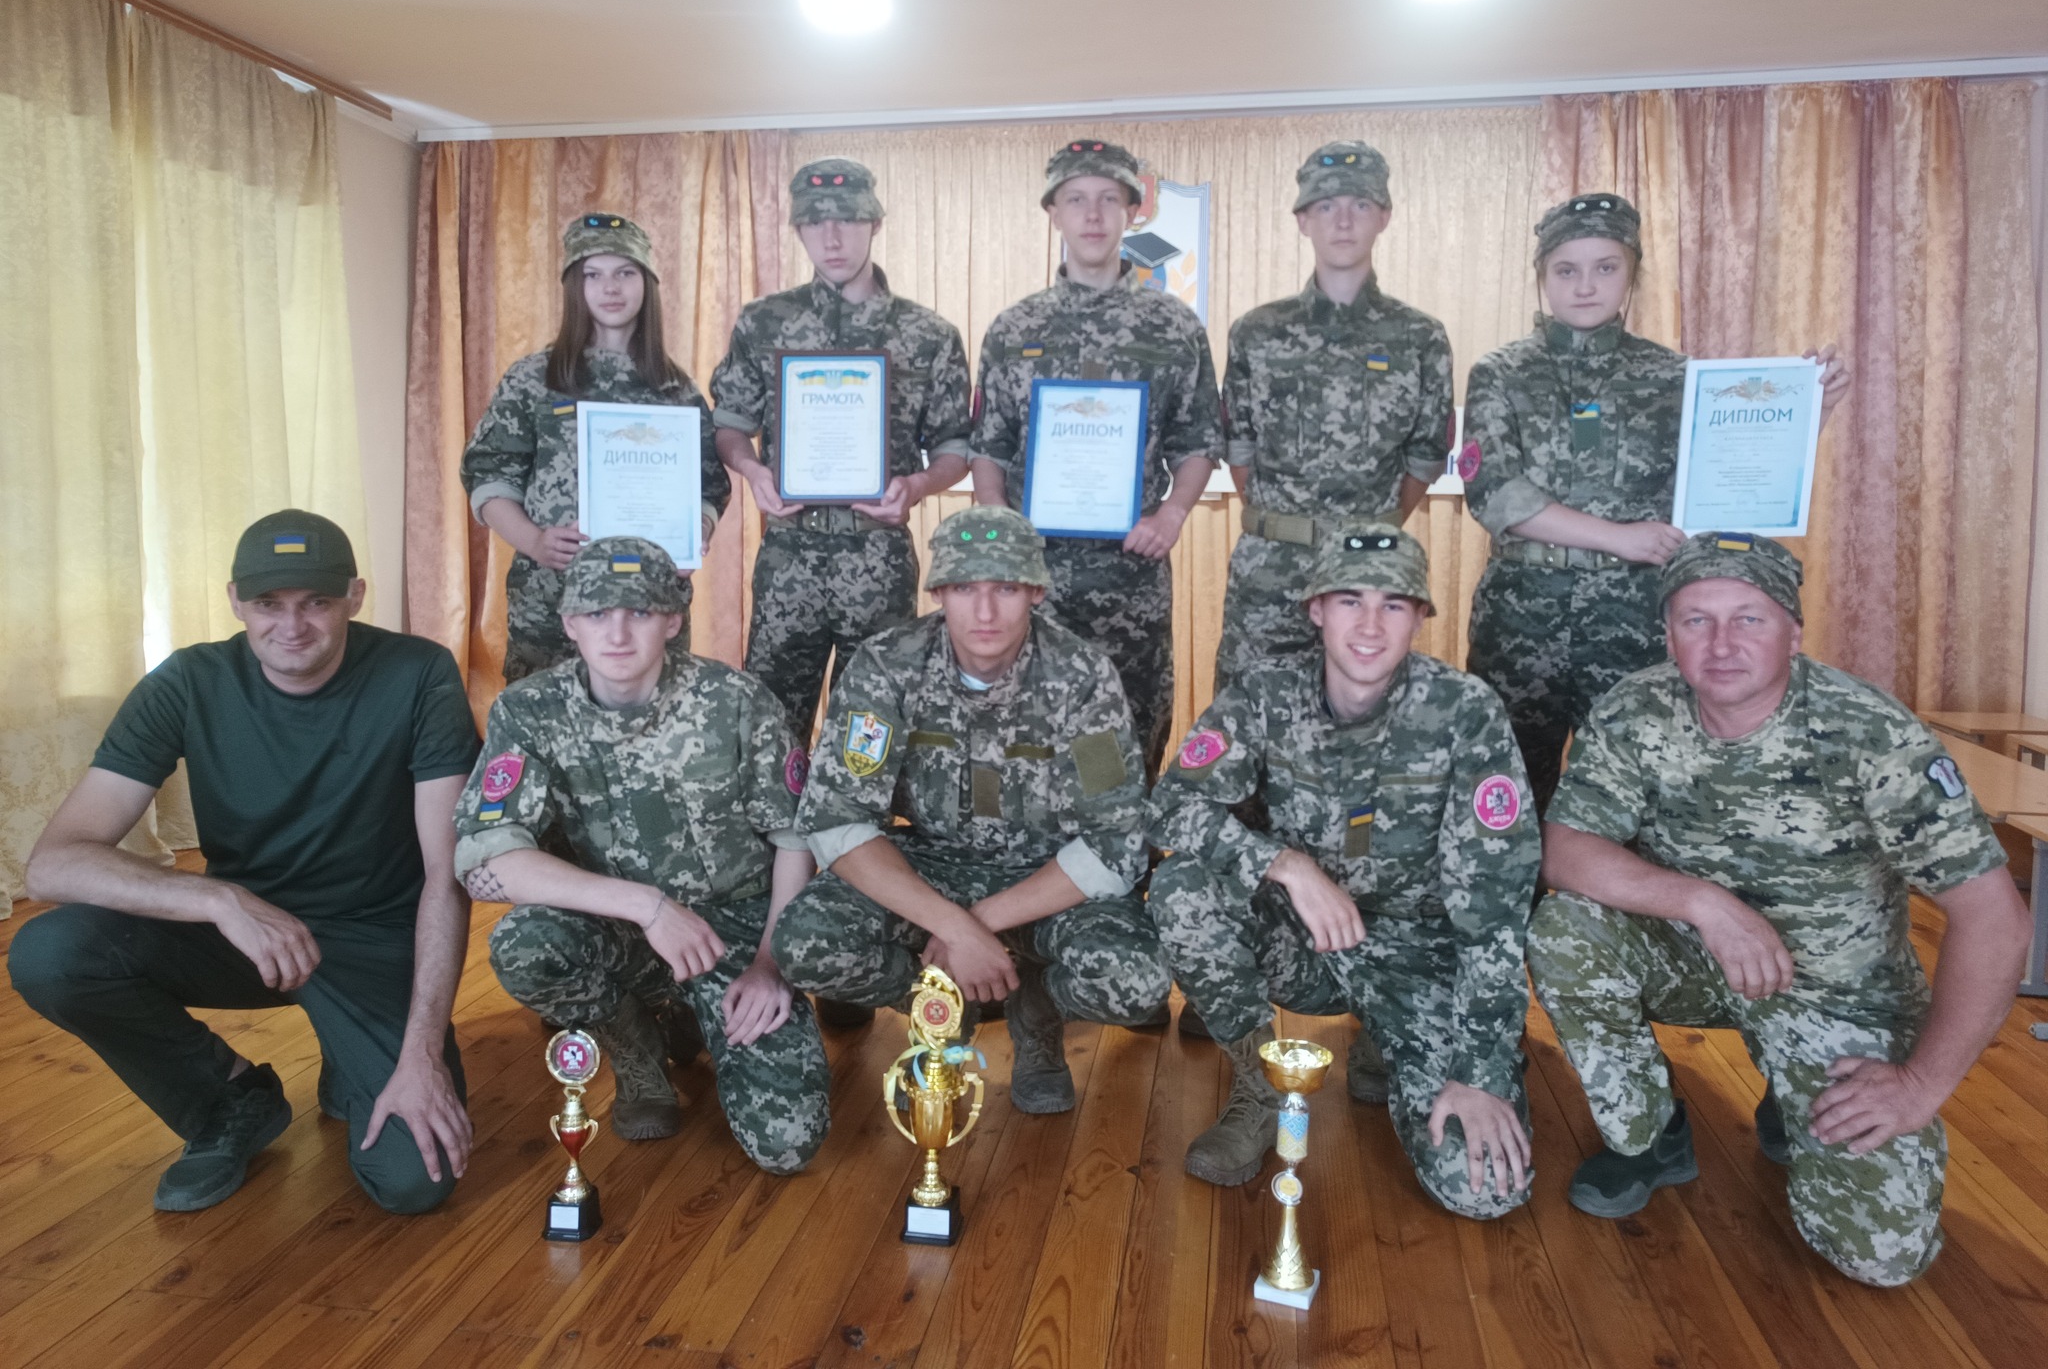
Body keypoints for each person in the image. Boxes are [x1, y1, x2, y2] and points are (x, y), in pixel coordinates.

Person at [1529, 532, 2032, 1286]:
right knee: (1565, 929)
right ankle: (1650, 1134)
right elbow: (1565, 849)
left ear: (1793, 634)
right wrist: (1704, 903)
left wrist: (1920, 1086)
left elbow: (1996, 918)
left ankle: (1795, 1086)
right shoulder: (1637, 709)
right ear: (1667, 635)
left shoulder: (1871, 734)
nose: (1721, 643)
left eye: (1749, 619)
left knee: (1880, 1256)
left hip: (1836, 991)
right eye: (1696, 620)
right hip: (1700, 957)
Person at [11, 511, 477, 1214]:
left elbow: (447, 878)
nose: (292, 626)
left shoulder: (419, 674)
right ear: (235, 600)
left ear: (354, 596)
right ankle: (228, 1101)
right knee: (51, 953)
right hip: (246, 935)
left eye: (316, 602)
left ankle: (359, 1050)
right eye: (268, 603)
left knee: (412, 1180)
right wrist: (219, 900)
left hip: (376, 937)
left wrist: (420, 1055)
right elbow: (53, 865)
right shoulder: (189, 681)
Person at [1149, 523, 1539, 1217]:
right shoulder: (1265, 695)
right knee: (1183, 889)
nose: (1370, 625)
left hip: (1421, 959)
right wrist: (1285, 864)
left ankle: (1388, 1042)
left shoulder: (1465, 713)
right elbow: (1171, 806)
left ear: (1420, 616)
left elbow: (1496, 907)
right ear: (1317, 609)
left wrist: (1480, 1071)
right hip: (1310, 940)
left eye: (1393, 605)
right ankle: (1261, 1088)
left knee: (1482, 1190)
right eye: (1350, 600)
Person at [771, 506, 1173, 1114]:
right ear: (937, 593)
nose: (984, 612)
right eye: (964, 588)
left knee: (1137, 982)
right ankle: (941, 1009)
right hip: (931, 864)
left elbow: (1116, 840)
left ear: (1037, 591)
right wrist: (953, 927)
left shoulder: (1083, 677)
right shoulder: (886, 665)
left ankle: (1035, 1011)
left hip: (1047, 875)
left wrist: (976, 923)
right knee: (804, 944)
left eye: (1005, 589)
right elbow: (837, 818)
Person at [1460, 194, 1850, 810]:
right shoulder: (1500, 373)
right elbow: (1495, 494)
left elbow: (1727, 485)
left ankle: (1614, 880)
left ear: (1632, 275)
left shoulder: (1676, 376)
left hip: (1634, 613)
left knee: (1637, 785)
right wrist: (1621, 536)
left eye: (1605, 267)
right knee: (1508, 787)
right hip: (1520, 617)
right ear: (1542, 276)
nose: (1585, 285)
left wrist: (1806, 415)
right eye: (1566, 269)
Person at [454, 537, 829, 1173]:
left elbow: (796, 836)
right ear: (569, 623)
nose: (618, 633)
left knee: (788, 1144)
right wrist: (648, 906)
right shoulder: (531, 711)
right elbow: (486, 857)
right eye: (597, 613)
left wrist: (772, 964)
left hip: (737, 931)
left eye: (640, 612)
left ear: (673, 620)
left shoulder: (736, 701)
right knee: (525, 943)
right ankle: (636, 1047)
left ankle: (691, 1014)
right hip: (620, 925)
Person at [969, 139, 1223, 777]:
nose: (1092, 214)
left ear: (1132, 212)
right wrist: (1003, 537)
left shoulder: (1172, 326)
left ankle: (1124, 844)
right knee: (1024, 734)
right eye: (1076, 199)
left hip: (1131, 576)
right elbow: (988, 448)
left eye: (1110, 199)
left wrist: (1172, 515)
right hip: (1035, 577)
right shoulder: (1014, 328)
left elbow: (1198, 441)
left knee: (1130, 734)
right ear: (1053, 211)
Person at [710, 157, 973, 744]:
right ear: (798, 230)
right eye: (814, 223)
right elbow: (728, 425)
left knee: (874, 729)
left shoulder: (927, 334)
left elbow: (955, 449)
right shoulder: (764, 323)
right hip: (788, 558)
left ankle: (860, 810)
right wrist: (752, 470)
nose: (832, 238)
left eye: (848, 220)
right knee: (770, 727)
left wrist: (917, 486)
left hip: (878, 560)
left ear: (874, 223)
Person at [1215, 141, 1454, 688]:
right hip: (1269, 569)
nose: (1343, 221)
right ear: (1303, 220)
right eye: (1326, 207)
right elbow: (1240, 450)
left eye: (1360, 205)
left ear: (1383, 217)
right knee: (1249, 709)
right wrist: (1287, 524)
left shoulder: (1418, 336)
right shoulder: (1258, 331)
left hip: (1369, 573)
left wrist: (1364, 526)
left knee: (1361, 712)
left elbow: (1425, 458)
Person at [462, 213, 730, 682]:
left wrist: (694, 534)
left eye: (625, 273)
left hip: (649, 604)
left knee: (653, 720)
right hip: (551, 602)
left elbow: (708, 487)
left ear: (647, 283)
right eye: (593, 274)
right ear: (574, 286)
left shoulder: (676, 390)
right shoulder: (534, 379)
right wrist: (535, 541)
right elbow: (488, 477)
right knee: (543, 717)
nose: (610, 288)